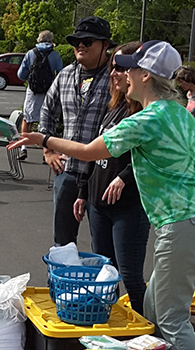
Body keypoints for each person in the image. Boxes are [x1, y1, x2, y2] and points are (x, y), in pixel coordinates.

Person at [10, 40, 195, 350]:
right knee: (151, 310)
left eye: (129, 69)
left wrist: (44, 138)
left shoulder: (146, 120)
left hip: (182, 226)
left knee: (172, 320)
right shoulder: (182, 114)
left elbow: (87, 152)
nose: (124, 75)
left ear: (147, 75)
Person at [74, 41, 150, 314]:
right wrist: (83, 191)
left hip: (128, 206)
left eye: (121, 68)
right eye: (112, 67)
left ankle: (149, 332)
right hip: (98, 203)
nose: (115, 73)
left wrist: (124, 177)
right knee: (105, 272)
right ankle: (111, 325)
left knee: (129, 275)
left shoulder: (145, 112)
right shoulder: (111, 107)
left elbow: (150, 156)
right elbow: (91, 152)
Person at [39, 16, 115, 246]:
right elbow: (47, 111)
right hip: (68, 170)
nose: (80, 46)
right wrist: (48, 150)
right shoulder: (65, 74)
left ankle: (104, 283)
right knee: (62, 241)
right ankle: (62, 282)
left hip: (103, 174)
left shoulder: (117, 77)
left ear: (105, 44)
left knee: (103, 244)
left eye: (88, 41)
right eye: (76, 42)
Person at [16, 30, 63, 161]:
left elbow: (20, 74)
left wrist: (29, 79)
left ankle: (23, 149)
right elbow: (60, 74)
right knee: (47, 121)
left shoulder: (31, 53)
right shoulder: (55, 55)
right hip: (49, 91)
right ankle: (46, 152)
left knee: (27, 119)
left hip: (33, 91)